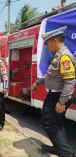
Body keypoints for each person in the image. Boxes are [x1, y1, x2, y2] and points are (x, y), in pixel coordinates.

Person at [31, 26, 76, 157]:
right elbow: (50, 74)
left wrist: (62, 102)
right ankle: (58, 148)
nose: (46, 45)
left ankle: (66, 154)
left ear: (55, 40)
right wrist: (37, 83)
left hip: (58, 96)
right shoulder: (57, 56)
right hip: (55, 95)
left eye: (47, 42)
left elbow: (70, 82)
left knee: (48, 124)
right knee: (57, 123)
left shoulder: (64, 57)